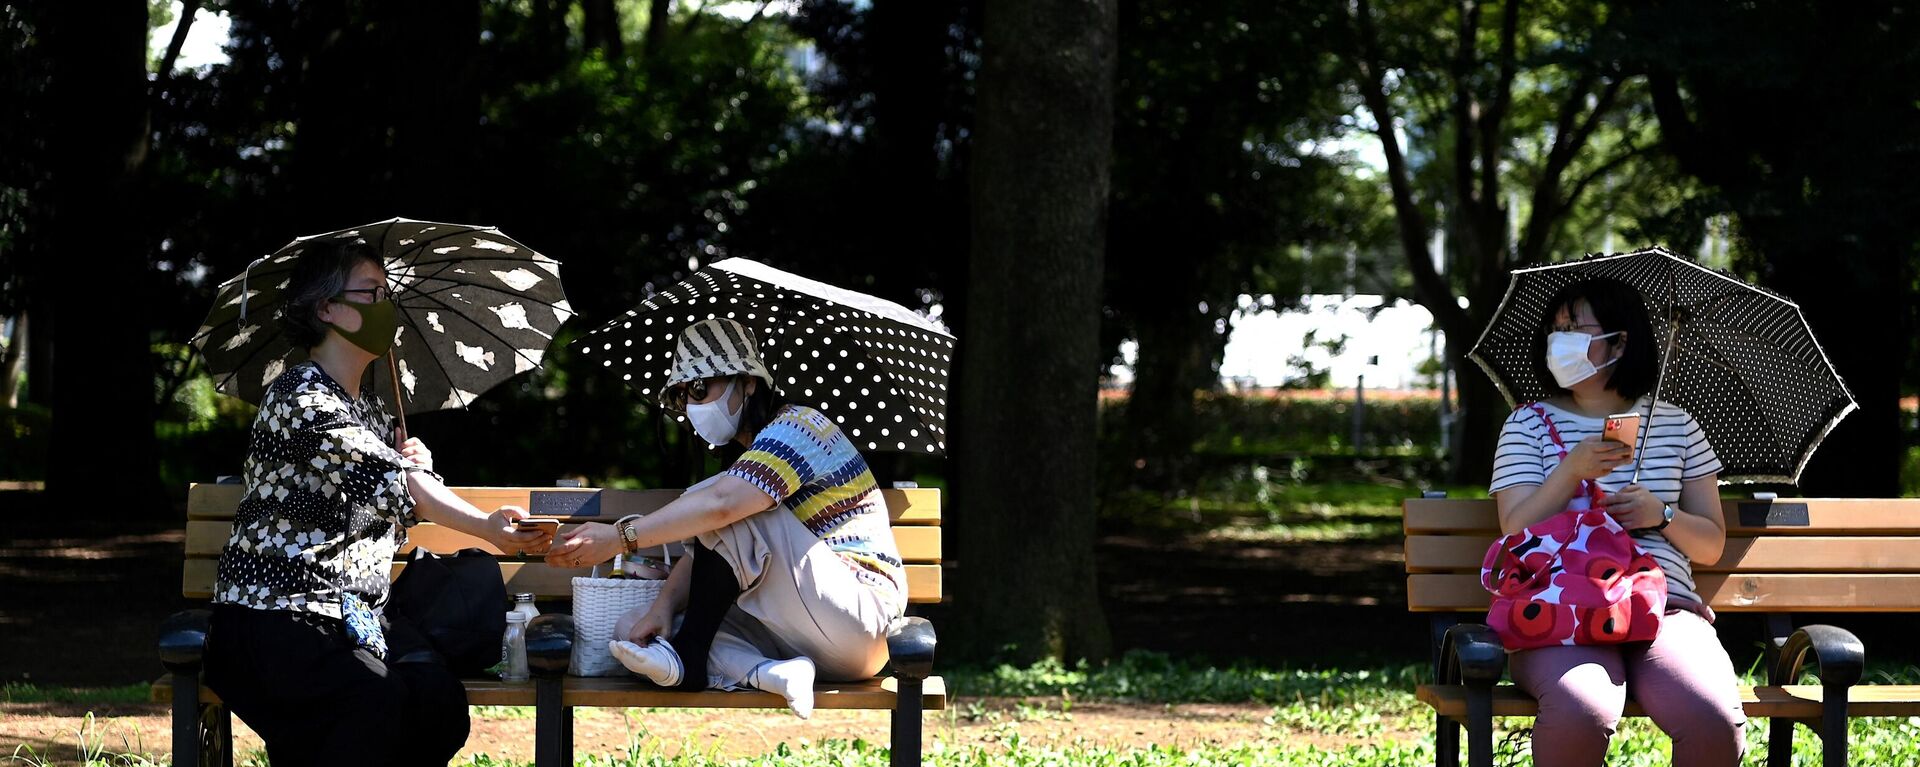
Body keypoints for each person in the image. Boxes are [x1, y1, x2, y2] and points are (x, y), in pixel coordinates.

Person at [205, 237, 553, 767]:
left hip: (354, 618)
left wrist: (418, 462)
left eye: (388, 294)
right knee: (373, 702)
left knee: (439, 705)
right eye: (372, 293)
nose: (385, 307)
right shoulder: (299, 396)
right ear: (326, 308)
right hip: (272, 617)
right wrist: (486, 525)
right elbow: (401, 487)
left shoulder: (372, 414)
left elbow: (394, 514)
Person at [545, 318, 906, 719]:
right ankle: (769, 673)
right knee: (633, 629)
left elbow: (721, 507)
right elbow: (714, 527)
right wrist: (662, 607)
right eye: (683, 396)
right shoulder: (745, 467)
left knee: (717, 500)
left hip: (862, 622)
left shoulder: (800, 427)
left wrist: (620, 537)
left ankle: (691, 661)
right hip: (802, 634)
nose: (694, 406)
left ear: (749, 382)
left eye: (701, 388)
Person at [1490, 277, 1746, 766]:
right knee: (1579, 709)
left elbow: (1711, 545)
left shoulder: (1677, 425)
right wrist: (1572, 472)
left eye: (1576, 328)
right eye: (1556, 328)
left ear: (1620, 341)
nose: (1560, 340)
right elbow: (1514, 528)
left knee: (1711, 716)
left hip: (1666, 612)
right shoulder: (1526, 423)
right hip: (1560, 610)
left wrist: (1661, 515)